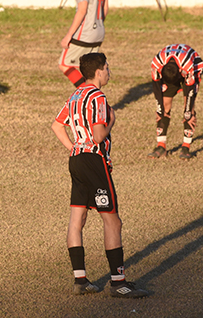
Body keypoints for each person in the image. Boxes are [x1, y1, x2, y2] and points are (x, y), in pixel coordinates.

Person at [51, 53, 148, 298]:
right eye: (107, 68)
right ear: (98, 71)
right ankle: (118, 283)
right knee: (113, 221)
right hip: (95, 161)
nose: (109, 72)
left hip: (76, 160)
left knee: (77, 219)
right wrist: (112, 120)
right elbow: (98, 136)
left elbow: (56, 125)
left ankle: (80, 279)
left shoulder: (75, 95)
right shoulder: (98, 97)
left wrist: (73, 147)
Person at [148, 44, 203, 160]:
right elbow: (156, 87)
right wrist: (159, 109)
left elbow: (190, 92)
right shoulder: (156, 64)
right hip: (172, 69)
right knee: (164, 106)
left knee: (188, 109)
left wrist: (188, 112)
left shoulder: (187, 66)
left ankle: (186, 147)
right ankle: (161, 146)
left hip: (192, 67)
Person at [59, 0, 108, 87]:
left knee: (64, 64)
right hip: (99, 33)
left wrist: (68, 36)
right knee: (89, 71)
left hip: (84, 35)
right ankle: (93, 97)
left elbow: (82, 10)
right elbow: (105, 9)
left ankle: (86, 94)